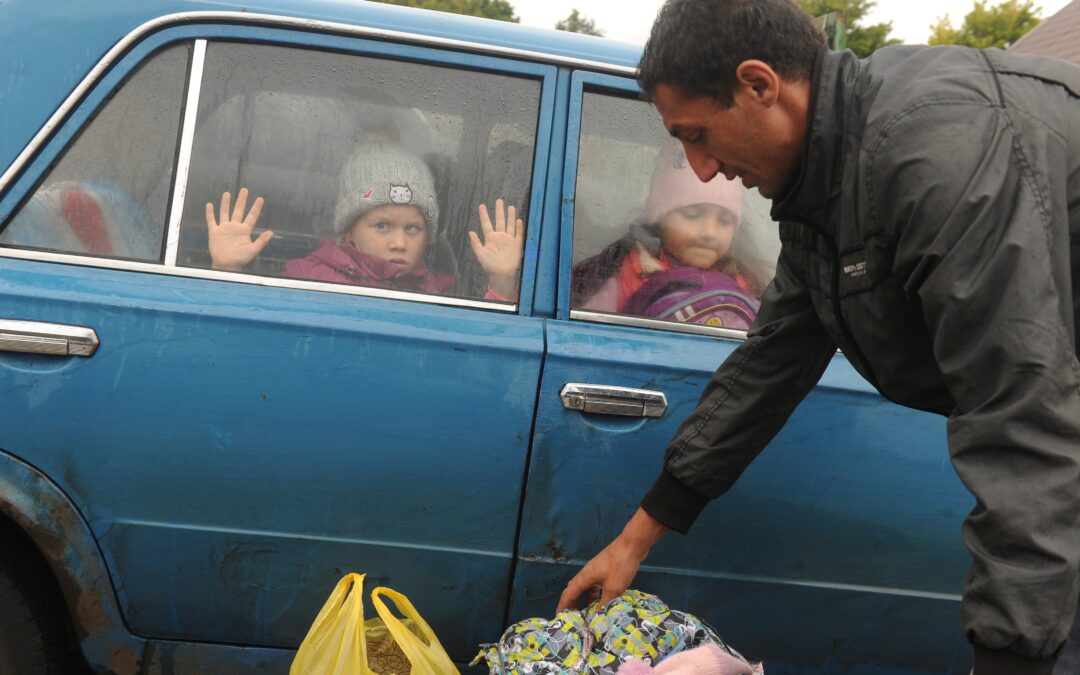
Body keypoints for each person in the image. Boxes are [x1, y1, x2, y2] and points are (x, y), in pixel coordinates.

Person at [556, 2, 1080, 675]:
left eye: (698, 135)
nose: (704, 168)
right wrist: (634, 539)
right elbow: (770, 363)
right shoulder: (826, 182)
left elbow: (1020, 414)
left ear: (758, 85)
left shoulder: (934, 154)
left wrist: (1008, 656)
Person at [204, 135, 524, 300]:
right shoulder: (305, 278)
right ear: (348, 232)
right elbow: (249, 331)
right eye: (382, 225)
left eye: (413, 228)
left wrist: (503, 280)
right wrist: (228, 270)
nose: (399, 242)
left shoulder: (441, 291)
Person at [571, 142, 765, 329]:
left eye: (724, 221)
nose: (709, 232)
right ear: (660, 219)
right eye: (693, 215)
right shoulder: (625, 274)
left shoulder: (746, 283)